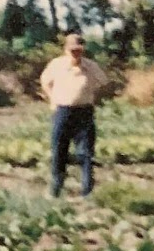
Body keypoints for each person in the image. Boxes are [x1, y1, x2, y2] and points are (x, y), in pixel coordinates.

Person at [39, 33, 109, 197]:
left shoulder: (90, 66)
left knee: (85, 153)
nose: (75, 53)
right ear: (66, 49)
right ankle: (56, 190)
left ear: (82, 50)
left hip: (84, 112)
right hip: (62, 112)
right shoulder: (56, 65)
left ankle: (87, 192)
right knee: (59, 152)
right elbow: (45, 81)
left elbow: (104, 83)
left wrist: (92, 96)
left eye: (78, 50)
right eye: (72, 50)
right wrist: (52, 99)